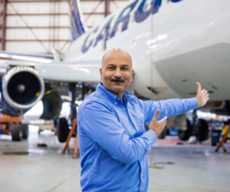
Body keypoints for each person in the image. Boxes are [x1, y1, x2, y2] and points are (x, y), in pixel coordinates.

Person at [77, 48, 209, 192]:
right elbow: (127, 153)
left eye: (124, 68)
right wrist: (152, 133)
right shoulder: (94, 108)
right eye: (111, 68)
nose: (118, 74)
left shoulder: (133, 104)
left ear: (131, 75)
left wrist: (195, 101)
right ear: (101, 73)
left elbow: (163, 106)